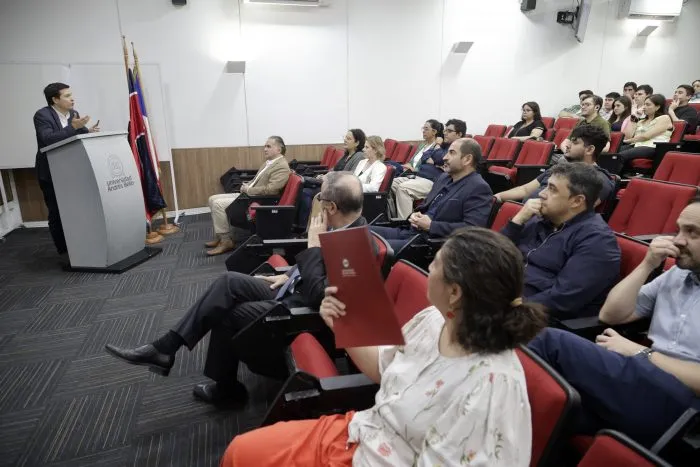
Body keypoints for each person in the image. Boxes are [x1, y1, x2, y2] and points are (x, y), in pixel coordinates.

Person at [220, 227, 548, 467]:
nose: (428, 269)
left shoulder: (491, 385)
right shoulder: (435, 319)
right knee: (240, 451)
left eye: (435, 264)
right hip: (365, 433)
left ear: (455, 293)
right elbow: (383, 367)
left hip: (379, 457)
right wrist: (341, 324)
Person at [105, 172, 368, 404]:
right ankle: (166, 348)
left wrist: (313, 248)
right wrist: (290, 274)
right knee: (228, 282)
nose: (318, 203)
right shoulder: (341, 229)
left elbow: (320, 297)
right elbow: (321, 271)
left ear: (331, 207)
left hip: (300, 310)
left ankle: (226, 390)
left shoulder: (354, 247)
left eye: (321, 199)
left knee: (226, 312)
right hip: (293, 287)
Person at [529, 197, 700, 447]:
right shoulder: (676, 274)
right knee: (546, 409)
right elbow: (611, 315)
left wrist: (641, 352)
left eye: (693, 233)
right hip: (641, 386)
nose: (679, 240)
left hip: (684, 409)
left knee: (549, 341)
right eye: (679, 230)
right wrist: (648, 264)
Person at [501, 163, 620, 318]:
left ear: (577, 201)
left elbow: (562, 299)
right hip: (505, 294)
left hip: (533, 316)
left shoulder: (597, 241)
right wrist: (517, 222)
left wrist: (510, 307)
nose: (541, 193)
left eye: (552, 189)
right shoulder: (539, 219)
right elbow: (492, 256)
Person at [371, 138, 492, 252]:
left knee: (370, 248)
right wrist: (415, 215)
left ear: (467, 159)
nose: (444, 157)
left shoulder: (478, 188)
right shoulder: (444, 178)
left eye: (451, 153)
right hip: (410, 231)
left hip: (429, 243)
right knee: (363, 232)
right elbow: (426, 205)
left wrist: (431, 226)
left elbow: (472, 230)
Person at [33, 82, 99, 256]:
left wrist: (87, 132)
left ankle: (82, 245)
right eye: (67, 96)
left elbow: (76, 135)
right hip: (51, 173)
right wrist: (74, 128)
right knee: (57, 213)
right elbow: (48, 139)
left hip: (72, 171)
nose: (72, 99)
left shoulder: (73, 114)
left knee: (77, 210)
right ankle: (64, 252)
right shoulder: (42, 115)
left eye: (71, 95)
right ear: (55, 100)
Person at [205, 136, 290, 255]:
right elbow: (256, 180)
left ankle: (226, 241)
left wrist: (249, 190)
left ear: (279, 149)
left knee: (218, 204)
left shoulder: (282, 166)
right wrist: (247, 185)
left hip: (257, 200)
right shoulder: (269, 163)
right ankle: (221, 236)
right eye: (265, 146)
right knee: (212, 199)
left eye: (268, 146)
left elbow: (272, 190)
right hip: (249, 195)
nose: (265, 149)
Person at [495, 125, 614, 206]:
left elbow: (575, 212)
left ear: (590, 149)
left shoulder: (599, 180)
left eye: (575, 142)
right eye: (570, 141)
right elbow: (525, 190)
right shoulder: (559, 168)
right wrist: (496, 197)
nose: (567, 145)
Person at [389, 119, 466, 219]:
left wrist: (437, 149)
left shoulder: (457, 149)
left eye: (449, 131)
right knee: (390, 184)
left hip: (432, 181)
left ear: (459, 134)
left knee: (404, 188)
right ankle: (393, 219)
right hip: (418, 176)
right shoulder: (444, 145)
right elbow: (425, 155)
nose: (445, 133)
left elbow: (440, 158)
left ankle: (406, 222)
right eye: (445, 130)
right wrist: (436, 160)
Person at [298, 129, 366, 227]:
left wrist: (329, 177)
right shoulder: (346, 154)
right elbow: (334, 169)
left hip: (339, 188)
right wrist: (325, 175)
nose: (345, 140)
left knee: (306, 192)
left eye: (348, 138)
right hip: (332, 183)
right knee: (303, 188)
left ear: (357, 142)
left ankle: (304, 226)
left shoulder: (359, 156)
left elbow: (351, 175)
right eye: (345, 138)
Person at [620, 94, 673, 165]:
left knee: (619, 156)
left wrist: (626, 141)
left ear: (657, 107)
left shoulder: (664, 118)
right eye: (644, 104)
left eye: (648, 105)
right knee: (612, 152)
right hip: (637, 145)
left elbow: (646, 136)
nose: (644, 107)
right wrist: (634, 117)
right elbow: (628, 136)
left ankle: (611, 172)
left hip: (652, 147)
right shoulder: (642, 121)